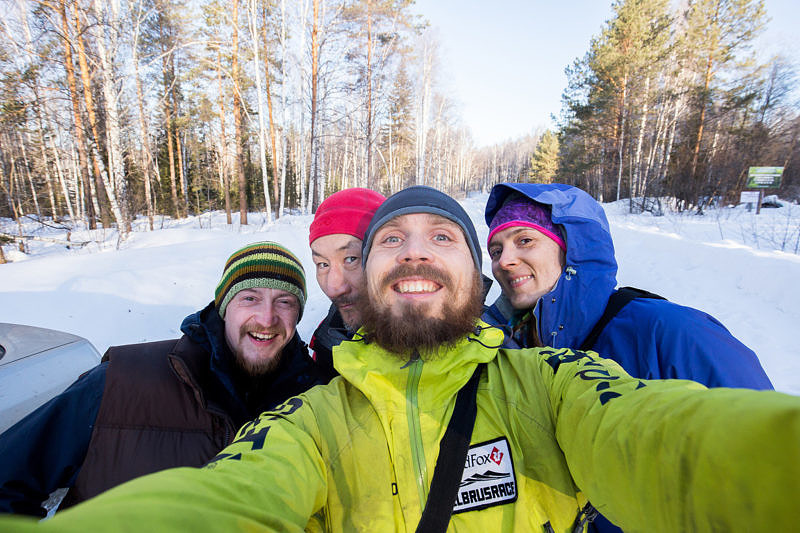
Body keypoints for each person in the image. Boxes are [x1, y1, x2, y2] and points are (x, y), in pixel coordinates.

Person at [4, 186, 800, 532]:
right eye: (391, 239)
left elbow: (667, 440)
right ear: (365, 278)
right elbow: (230, 499)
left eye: (442, 236)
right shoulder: (311, 412)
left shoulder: (548, 381)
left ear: (477, 280)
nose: (414, 252)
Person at [482, 182, 773, 532]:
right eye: (496, 250)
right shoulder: (508, 348)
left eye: (525, 240)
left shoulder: (671, 332)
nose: (505, 261)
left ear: (571, 247)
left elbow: (768, 464)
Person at [0, 241, 328, 517]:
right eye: (250, 298)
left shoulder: (317, 404)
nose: (267, 318)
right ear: (224, 306)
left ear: (297, 315)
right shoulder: (121, 382)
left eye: (284, 302)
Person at [307, 187, 386, 379]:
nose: (334, 287)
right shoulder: (327, 339)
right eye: (323, 264)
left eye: (351, 259)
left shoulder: (441, 339)